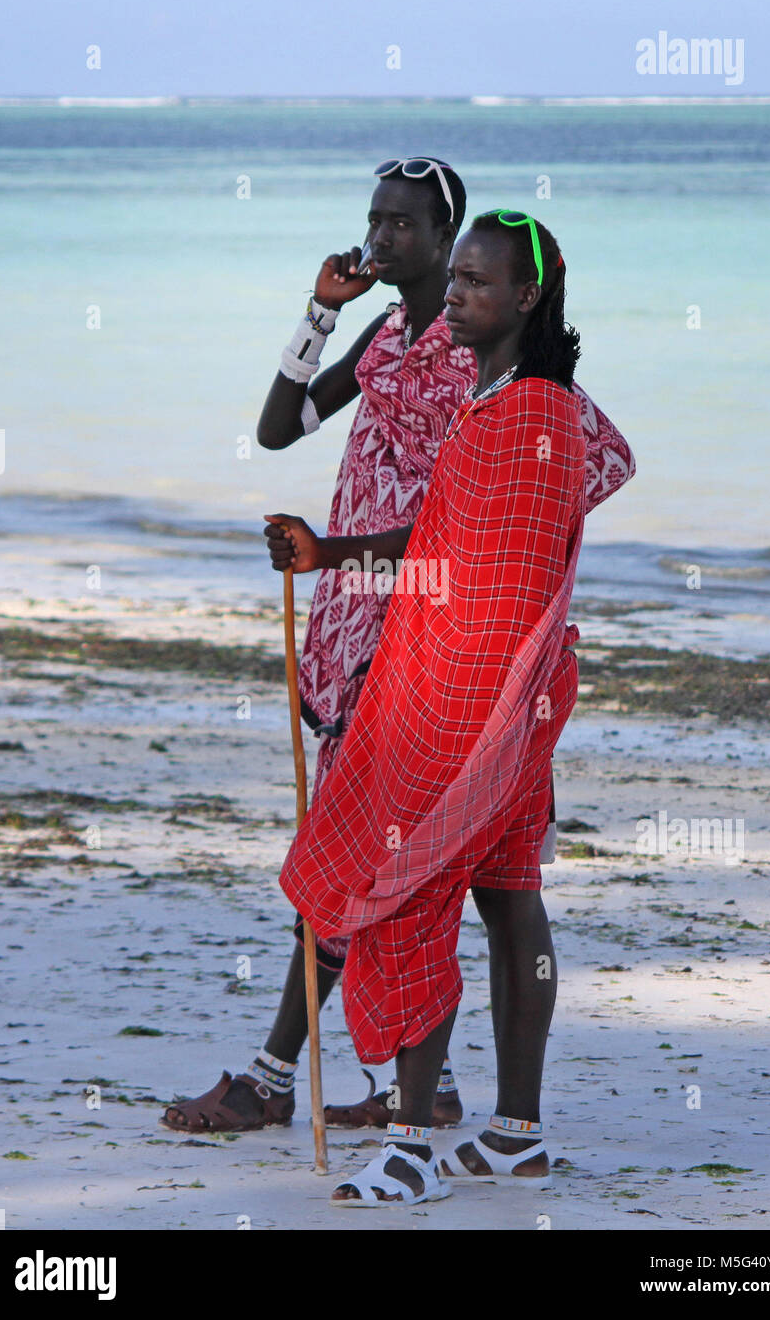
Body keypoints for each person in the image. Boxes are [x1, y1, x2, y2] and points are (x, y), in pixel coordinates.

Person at [160, 164, 633, 1136]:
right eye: (371, 219)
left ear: (444, 230)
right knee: (387, 862)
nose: (379, 239)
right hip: (352, 609)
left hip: (426, 630)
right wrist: (318, 312)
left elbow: (590, 457)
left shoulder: (485, 359)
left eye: (402, 224)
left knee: (374, 859)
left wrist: (486, 577)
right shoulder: (388, 335)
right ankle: (426, 1092)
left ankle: (276, 1075)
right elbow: (279, 426)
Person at [270, 209, 611, 1205]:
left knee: (403, 888)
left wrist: (452, 712)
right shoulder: (492, 397)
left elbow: (499, 582)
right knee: (506, 893)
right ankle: (514, 1135)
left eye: (473, 281)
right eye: (452, 278)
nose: (452, 295)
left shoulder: (537, 414)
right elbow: (437, 551)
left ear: (525, 298)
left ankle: (411, 1144)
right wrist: (328, 555)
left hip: (479, 695)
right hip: (508, 694)